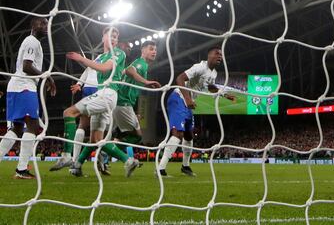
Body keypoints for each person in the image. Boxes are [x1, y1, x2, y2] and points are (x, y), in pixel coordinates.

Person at [61, 27, 153, 177]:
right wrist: (80, 83)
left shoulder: (118, 53)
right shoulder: (100, 57)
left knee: (70, 113)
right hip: (102, 93)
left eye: (116, 37)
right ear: (103, 37)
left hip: (107, 94)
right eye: (110, 36)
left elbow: (105, 69)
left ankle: (67, 156)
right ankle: (81, 165)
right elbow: (94, 69)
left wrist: (81, 59)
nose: (113, 39)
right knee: (96, 139)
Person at [157, 48, 235, 177]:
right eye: (217, 54)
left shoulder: (213, 73)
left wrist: (225, 95)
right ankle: (160, 169)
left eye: (221, 54)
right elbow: (180, 79)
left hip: (187, 103)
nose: (220, 56)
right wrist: (188, 99)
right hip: (178, 98)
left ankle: (185, 166)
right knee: (178, 133)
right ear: (209, 56)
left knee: (189, 135)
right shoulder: (199, 67)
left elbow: (210, 87)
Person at [0, 17, 56, 179]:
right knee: (32, 125)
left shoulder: (32, 42)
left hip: (17, 87)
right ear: (33, 26)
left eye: (47, 24)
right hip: (24, 86)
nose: (45, 26)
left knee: (16, 129)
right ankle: (22, 169)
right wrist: (48, 77)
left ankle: (21, 169)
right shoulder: (32, 41)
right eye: (42, 23)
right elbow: (26, 66)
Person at [51, 52, 101, 172]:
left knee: (83, 125)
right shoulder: (111, 57)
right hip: (99, 89)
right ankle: (99, 161)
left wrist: (79, 84)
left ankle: (75, 161)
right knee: (98, 129)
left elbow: (87, 70)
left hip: (88, 88)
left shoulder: (98, 58)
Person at [111, 41, 160, 159]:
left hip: (122, 102)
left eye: (155, 50)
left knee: (120, 135)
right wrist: (146, 82)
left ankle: (111, 154)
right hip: (122, 102)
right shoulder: (141, 64)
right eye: (151, 49)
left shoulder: (143, 65)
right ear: (143, 51)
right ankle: (109, 153)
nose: (154, 52)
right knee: (137, 136)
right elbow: (130, 71)